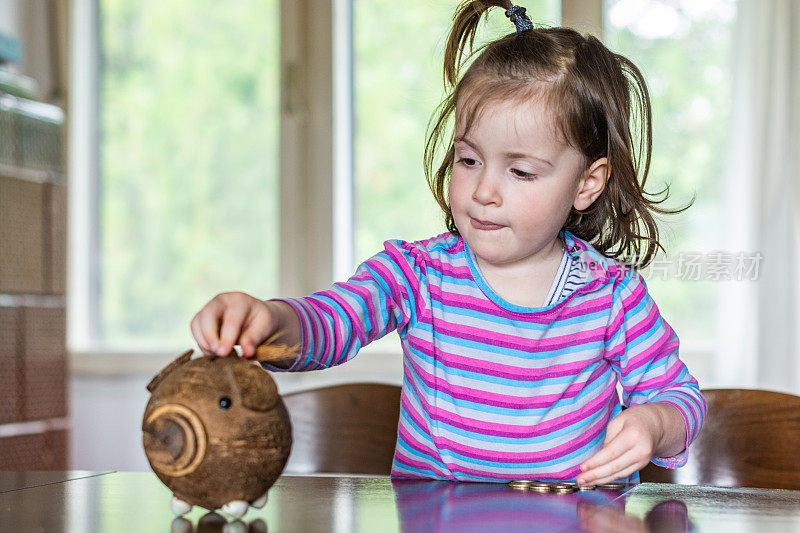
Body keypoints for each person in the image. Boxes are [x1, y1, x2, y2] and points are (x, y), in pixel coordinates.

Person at [190, 0, 706, 486]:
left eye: (521, 171)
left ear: (586, 184)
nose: (483, 191)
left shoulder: (611, 295)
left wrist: (651, 424)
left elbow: (678, 397)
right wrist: (270, 322)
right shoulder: (416, 274)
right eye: (468, 159)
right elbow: (331, 322)